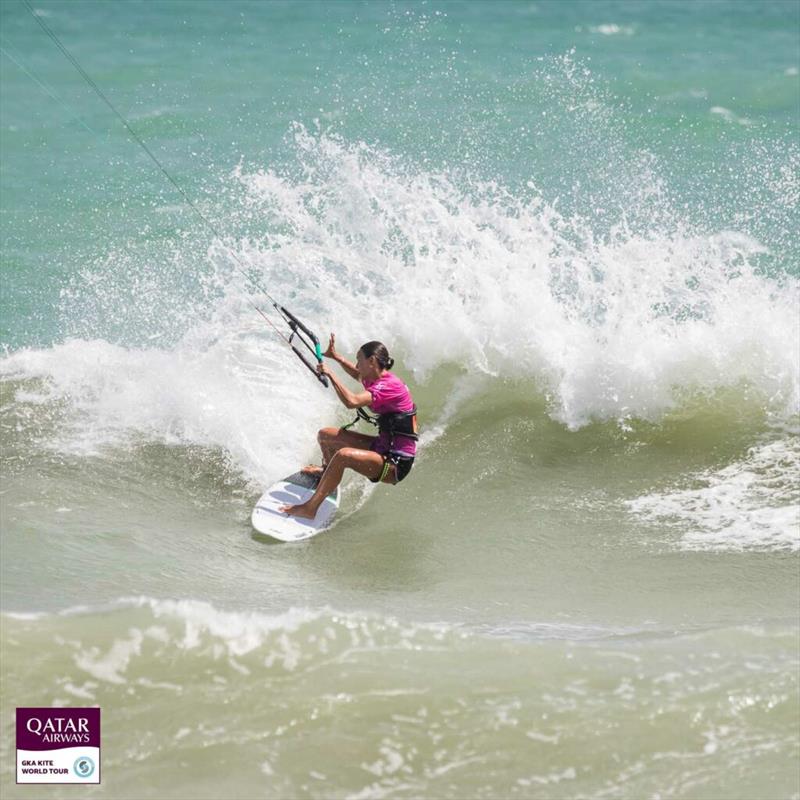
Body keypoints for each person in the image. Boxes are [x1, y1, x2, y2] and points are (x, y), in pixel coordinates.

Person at [279, 335, 418, 520]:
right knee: (325, 435)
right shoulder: (375, 377)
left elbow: (352, 401)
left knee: (343, 455)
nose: (357, 364)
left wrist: (330, 373)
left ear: (372, 361)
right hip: (383, 447)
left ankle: (310, 508)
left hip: (394, 463)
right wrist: (336, 357)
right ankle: (326, 473)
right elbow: (357, 374)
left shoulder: (388, 386)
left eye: (359, 359)